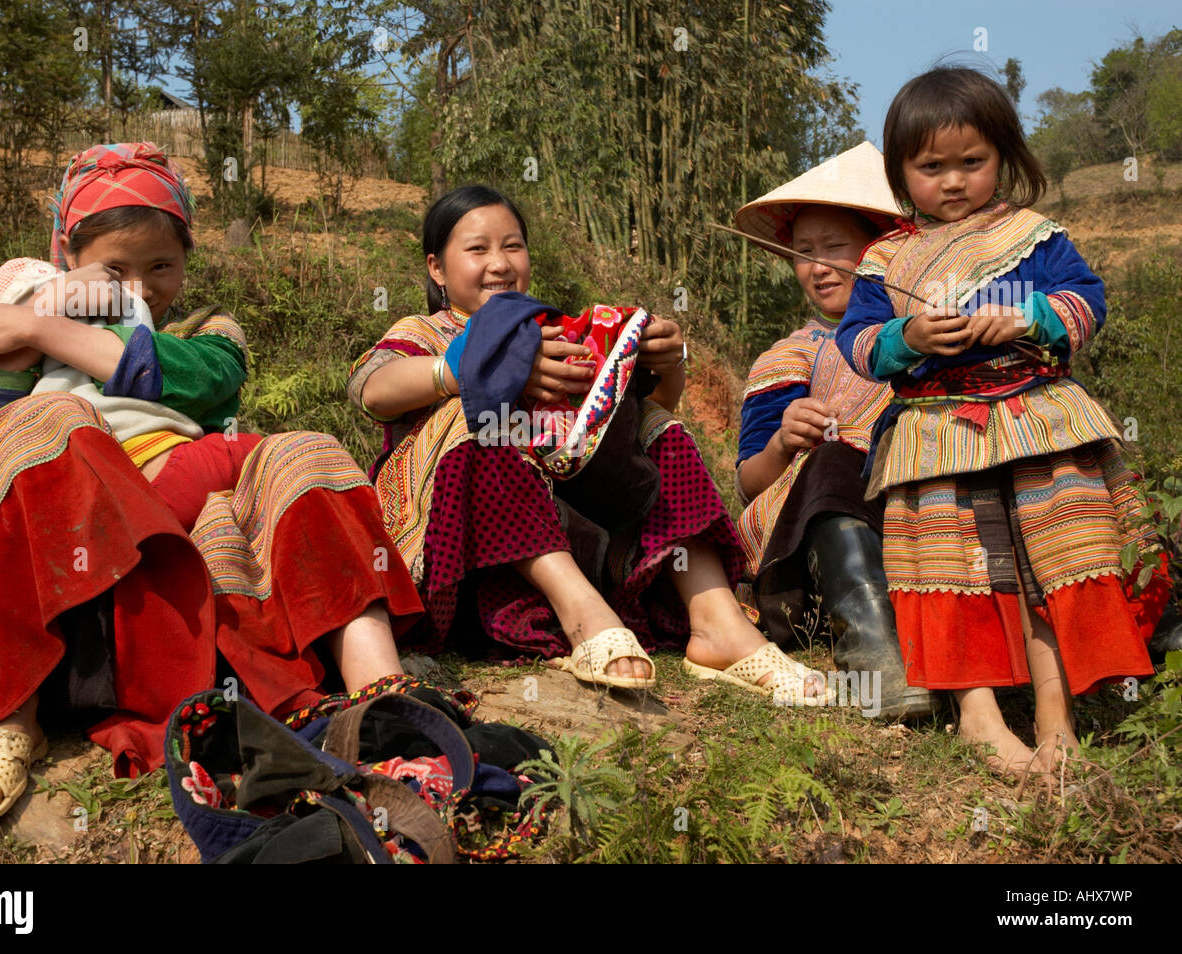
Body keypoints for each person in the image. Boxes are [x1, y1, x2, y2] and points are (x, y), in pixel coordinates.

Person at [0, 142, 422, 830]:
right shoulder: (32, 324)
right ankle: (7, 715)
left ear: (186, 262)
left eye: (161, 267)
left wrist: (41, 325)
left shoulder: (209, 331)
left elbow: (186, 378)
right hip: (71, 564)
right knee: (45, 419)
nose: (141, 287)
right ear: (65, 255)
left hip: (178, 541)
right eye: (114, 269)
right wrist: (26, 331)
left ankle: (379, 692)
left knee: (305, 450)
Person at [348, 185, 831, 701]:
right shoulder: (425, 330)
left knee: (653, 424)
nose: (499, 263)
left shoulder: (557, 330)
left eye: (512, 246)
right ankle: (581, 613)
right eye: (477, 248)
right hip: (462, 550)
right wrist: (475, 370)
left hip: (574, 523)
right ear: (437, 269)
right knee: (483, 415)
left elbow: (656, 402)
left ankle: (716, 621)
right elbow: (371, 390)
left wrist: (664, 362)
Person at [835, 68, 1170, 779]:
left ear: (1005, 158)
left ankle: (1056, 713)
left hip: (1035, 420)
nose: (952, 182)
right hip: (934, 436)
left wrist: (1029, 316)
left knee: (1046, 556)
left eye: (972, 162)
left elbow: (1086, 299)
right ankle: (977, 715)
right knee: (954, 564)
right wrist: (911, 338)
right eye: (930, 167)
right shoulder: (885, 260)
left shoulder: (1034, 237)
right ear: (899, 173)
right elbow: (859, 343)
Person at [732, 142, 934, 720]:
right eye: (803, 252)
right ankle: (876, 658)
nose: (819, 267)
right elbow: (751, 483)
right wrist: (782, 443)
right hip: (802, 563)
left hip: (915, 525)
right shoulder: (786, 357)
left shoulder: (919, 335)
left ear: (875, 251)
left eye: (835, 248)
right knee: (833, 459)